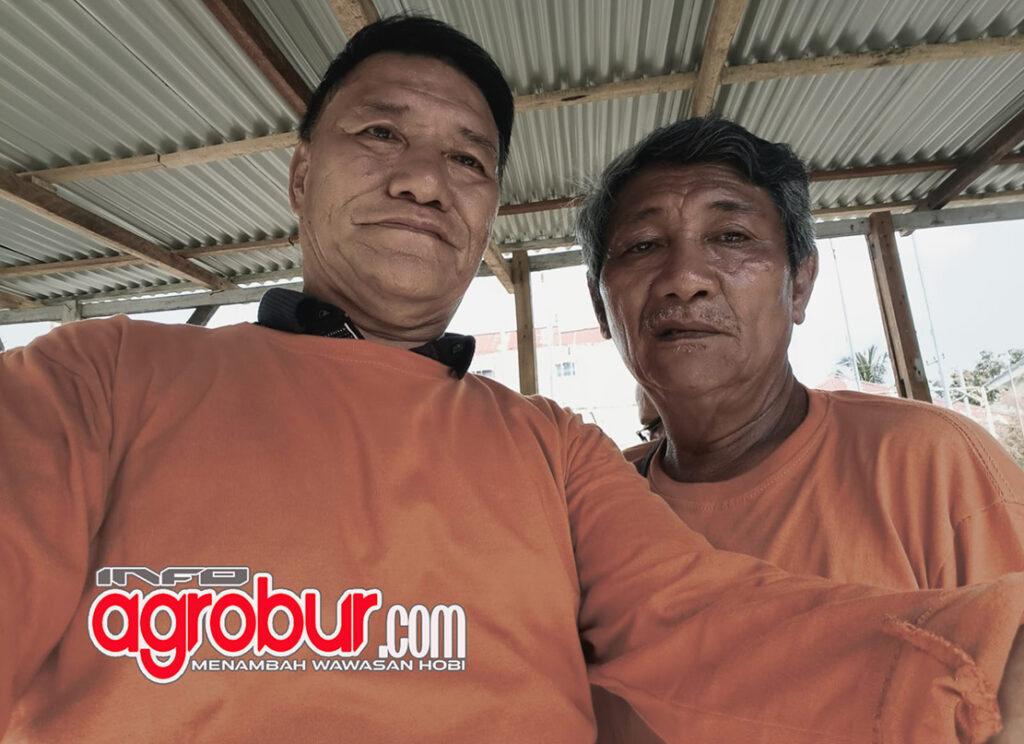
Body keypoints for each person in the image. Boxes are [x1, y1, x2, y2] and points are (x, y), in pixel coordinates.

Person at [1, 18, 1023, 744]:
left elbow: (706, 619)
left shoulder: (554, 450)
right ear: (301, 176)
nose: (423, 179)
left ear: (488, 215)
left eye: (469, 160)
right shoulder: (98, 375)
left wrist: (987, 663)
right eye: (380, 133)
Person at [578, 116, 1024, 741]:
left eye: (731, 237)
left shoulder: (931, 462)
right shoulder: (587, 506)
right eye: (644, 245)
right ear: (600, 305)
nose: (685, 278)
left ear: (800, 285)